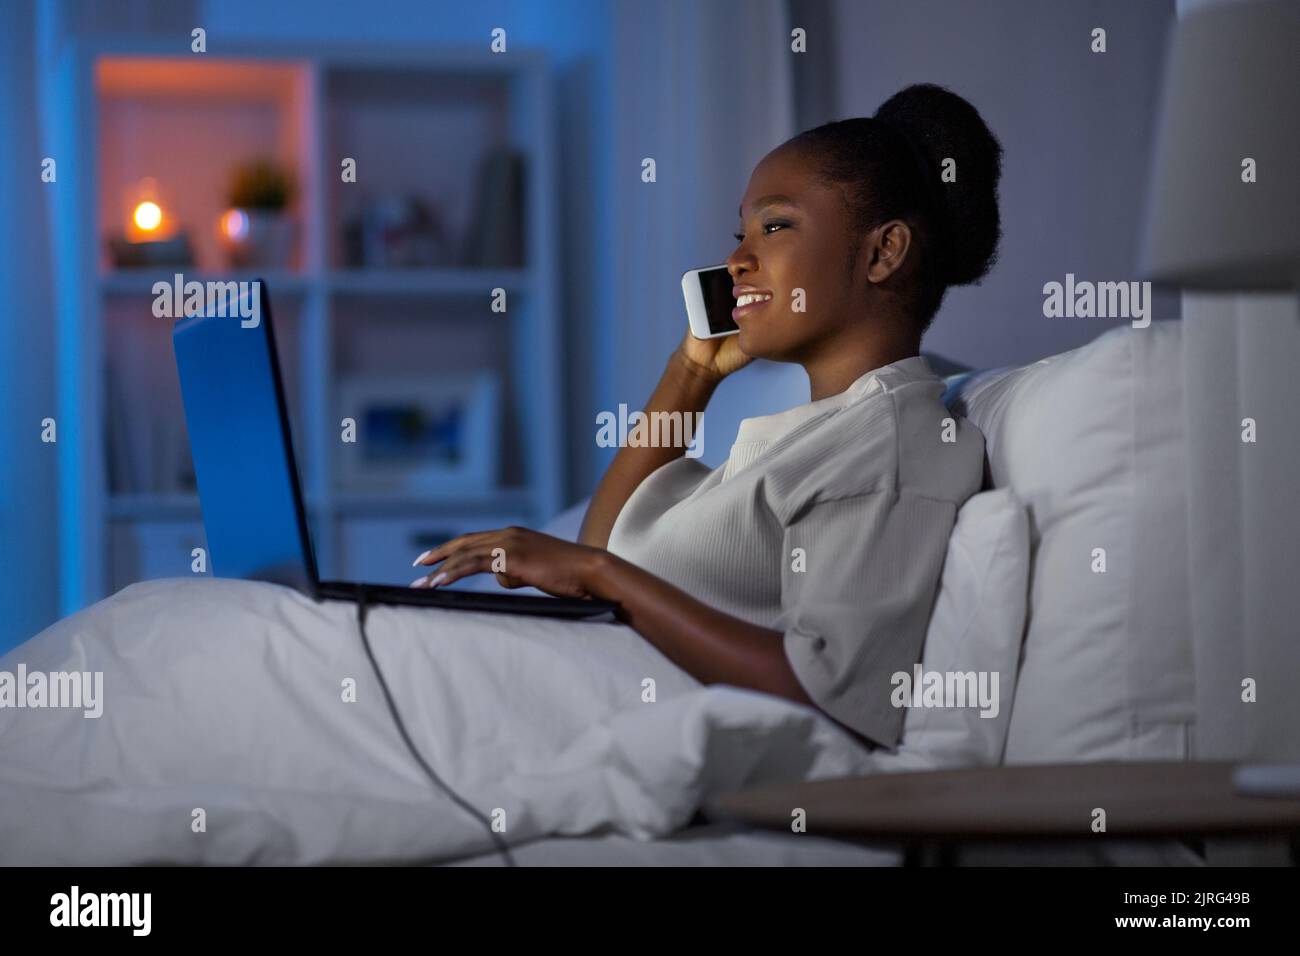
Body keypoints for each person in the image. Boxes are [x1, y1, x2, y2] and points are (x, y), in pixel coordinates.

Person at [411, 83, 1002, 750]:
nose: (736, 260)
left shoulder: (891, 444)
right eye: (739, 233)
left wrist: (597, 577)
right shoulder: (818, 430)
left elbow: (836, 695)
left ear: (882, 252)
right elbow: (606, 545)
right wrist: (689, 374)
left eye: (774, 226)